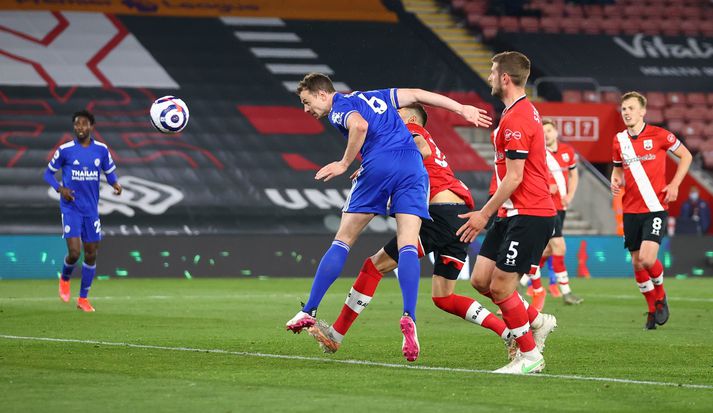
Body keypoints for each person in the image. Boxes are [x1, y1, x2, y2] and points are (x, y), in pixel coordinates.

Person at [286, 73, 492, 362]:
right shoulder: (381, 96)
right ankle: (409, 316)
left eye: (307, 102)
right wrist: (461, 109)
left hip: (380, 164)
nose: (307, 110)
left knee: (343, 240)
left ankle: (309, 310)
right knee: (408, 244)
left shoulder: (340, 107)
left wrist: (345, 163)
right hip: (412, 171)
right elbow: (420, 92)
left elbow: (359, 124)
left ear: (322, 94)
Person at [457, 51, 558, 374]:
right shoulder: (516, 113)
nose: (488, 76)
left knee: (501, 288)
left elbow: (515, 177)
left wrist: (483, 213)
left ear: (504, 78)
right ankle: (538, 321)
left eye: (491, 71)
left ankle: (530, 357)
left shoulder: (516, 119)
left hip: (530, 212)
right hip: (511, 212)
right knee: (480, 280)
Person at [611, 91, 692, 330]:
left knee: (647, 258)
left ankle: (661, 295)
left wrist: (675, 183)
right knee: (637, 264)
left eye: (631, 108)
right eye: (624, 109)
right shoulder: (619, 140)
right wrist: (615, 181)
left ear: (643, 111)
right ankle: (651, 309)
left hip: (655, 206)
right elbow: (617, 170)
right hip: (630, 210)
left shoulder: (659, 135)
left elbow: (686, 155)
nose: (626, 112)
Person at [44, 110, 122, 312]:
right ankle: (65, 278)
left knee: (91, 254)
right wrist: (60, 189)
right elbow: (48, 173)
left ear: (91, 127)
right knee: (74, 252)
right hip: (71, 208)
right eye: (77, 124)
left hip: (91, 210)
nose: (80, 128)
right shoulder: (65, 150)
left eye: (84, 124)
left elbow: (110, 172)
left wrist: (116, 185)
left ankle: (83, 299)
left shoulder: (102, 150)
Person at [521, 118, 583, 309]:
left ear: (555, 132)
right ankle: (566, 291)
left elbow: (574, 174)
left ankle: (521, 278)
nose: (546, 134)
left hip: (561, 207)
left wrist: (570, 195)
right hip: (545, 207)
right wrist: (547, 187)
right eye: (543, 131)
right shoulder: (538, 152)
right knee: (559, 247)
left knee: (546, 250)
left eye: (549, 130)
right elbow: (526, 177)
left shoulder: (567, 152)